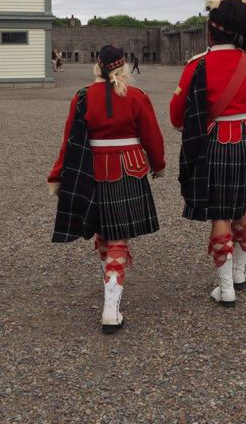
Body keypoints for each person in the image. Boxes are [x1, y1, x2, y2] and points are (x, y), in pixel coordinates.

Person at [170, 0, 246, 307]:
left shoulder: (196, 65)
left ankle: (226, 288)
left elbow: (177, 116)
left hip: (214, 145)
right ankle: (239, 272)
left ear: (212, 32)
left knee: (220, 212)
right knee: (244, 207)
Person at [48, 44, 165, 333]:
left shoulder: (83, 96)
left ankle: (110, 293)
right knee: (119, 237)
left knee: (104, 231)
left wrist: (57, 175)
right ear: (123, 68)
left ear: (97, 66)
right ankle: (111, 309)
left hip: (93, 169)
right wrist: (158, 165)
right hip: (130, 168)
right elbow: (152, 135)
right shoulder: (137, 96)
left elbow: (70, 141)